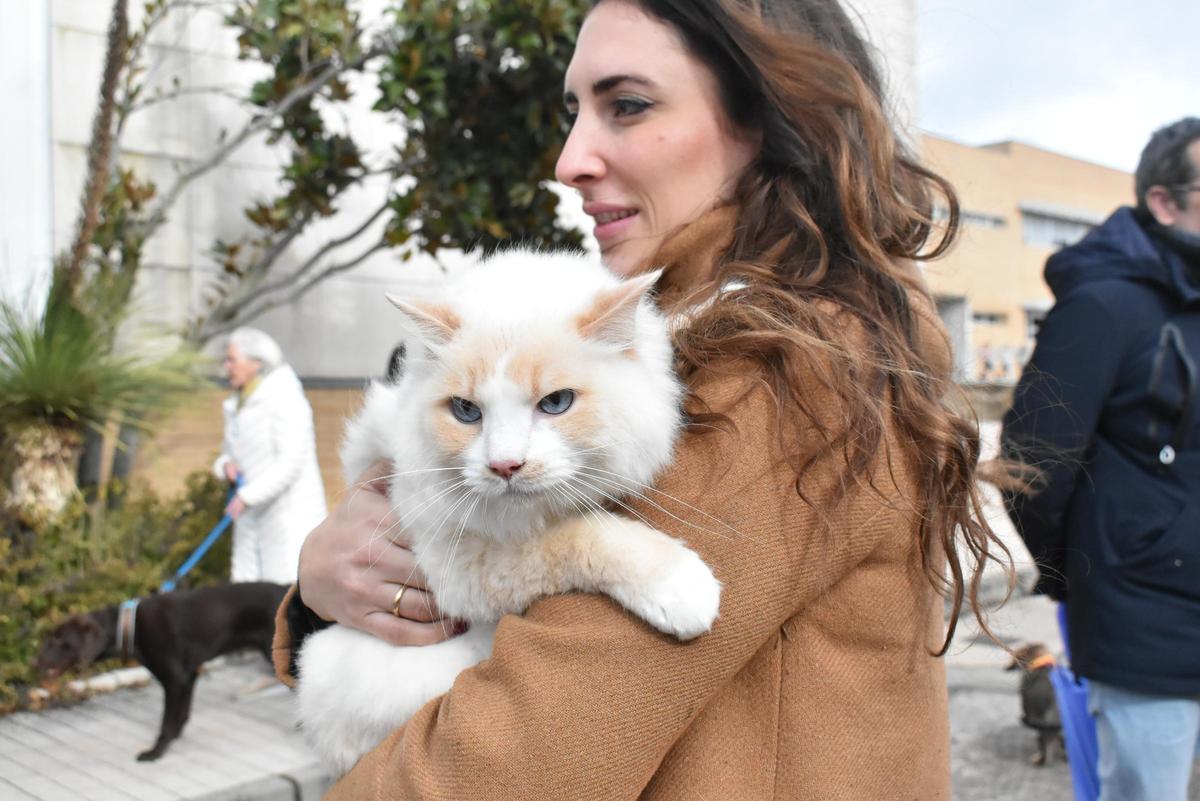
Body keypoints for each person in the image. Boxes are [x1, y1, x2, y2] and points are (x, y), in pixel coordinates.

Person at [273, 1, 1008, 797]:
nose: (570, 159)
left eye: (626, 105)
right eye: (573, 112)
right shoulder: (704, 330)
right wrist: (320, 589)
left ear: (763, 116)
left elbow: (508, 762)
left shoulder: (780, 367)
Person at [1002, 117, 1200, 801]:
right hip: (1143, 620)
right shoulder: (1104, 305)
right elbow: (1031, 467)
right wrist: (1085, 573)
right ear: (1165, 202)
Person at [214, 327, 327, 584]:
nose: (226, 366)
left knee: (283, 596)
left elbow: (290, 463)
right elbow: (226, 452)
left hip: (287, 521)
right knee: (246, 597)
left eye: (232, 360)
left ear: (256, 362)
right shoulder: (237, 404)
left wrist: (246, 496)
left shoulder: (286, 397)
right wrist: (225, 466)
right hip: (249, 520)